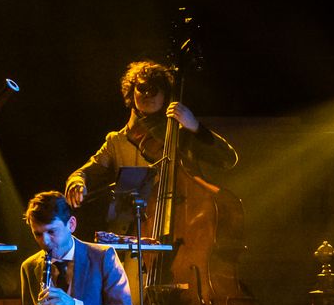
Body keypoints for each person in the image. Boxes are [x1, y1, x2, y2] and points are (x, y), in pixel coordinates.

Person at [65, 60, 236, 236]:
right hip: (135, 234)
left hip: (183, 225)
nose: (147, 94)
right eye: (141, 88)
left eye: (154, 89)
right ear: (132, 93)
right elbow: (85, 172)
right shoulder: (116, 141)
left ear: (165, 95)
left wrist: (196, 127)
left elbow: (227, 159)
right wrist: (77, 182)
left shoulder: (181, 134)